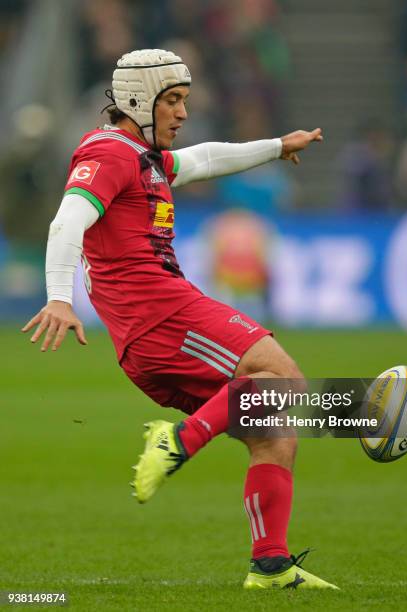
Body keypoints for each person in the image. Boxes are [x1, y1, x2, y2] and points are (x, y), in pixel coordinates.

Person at [22, 49, 338, 591]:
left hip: (151, 329)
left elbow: (207, 160)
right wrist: (58, 297)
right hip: (161, 315)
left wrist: (276, 146)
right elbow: (68, 218)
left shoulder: (143, 158)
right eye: (172, 101)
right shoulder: (109, 152)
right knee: (285, 380)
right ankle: (179, 441)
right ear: (140, 101)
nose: (182, 113)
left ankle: (271, 565)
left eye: (184, 101)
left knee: (274, 427)